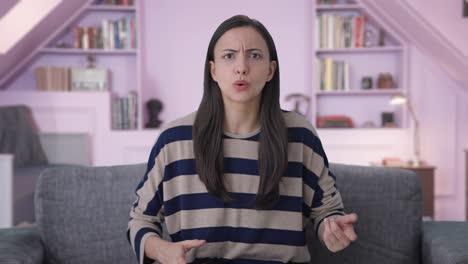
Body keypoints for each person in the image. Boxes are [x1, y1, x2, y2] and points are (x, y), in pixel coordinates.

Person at [127, 14, 358, 264]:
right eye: (229, 56)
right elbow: (140, 221)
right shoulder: (174, 140)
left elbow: (326, 211)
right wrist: (163, 250)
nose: (241, 67)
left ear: (270, 70)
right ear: (213, 70)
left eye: (254, 55)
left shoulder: (300, 135)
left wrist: (330, 229)